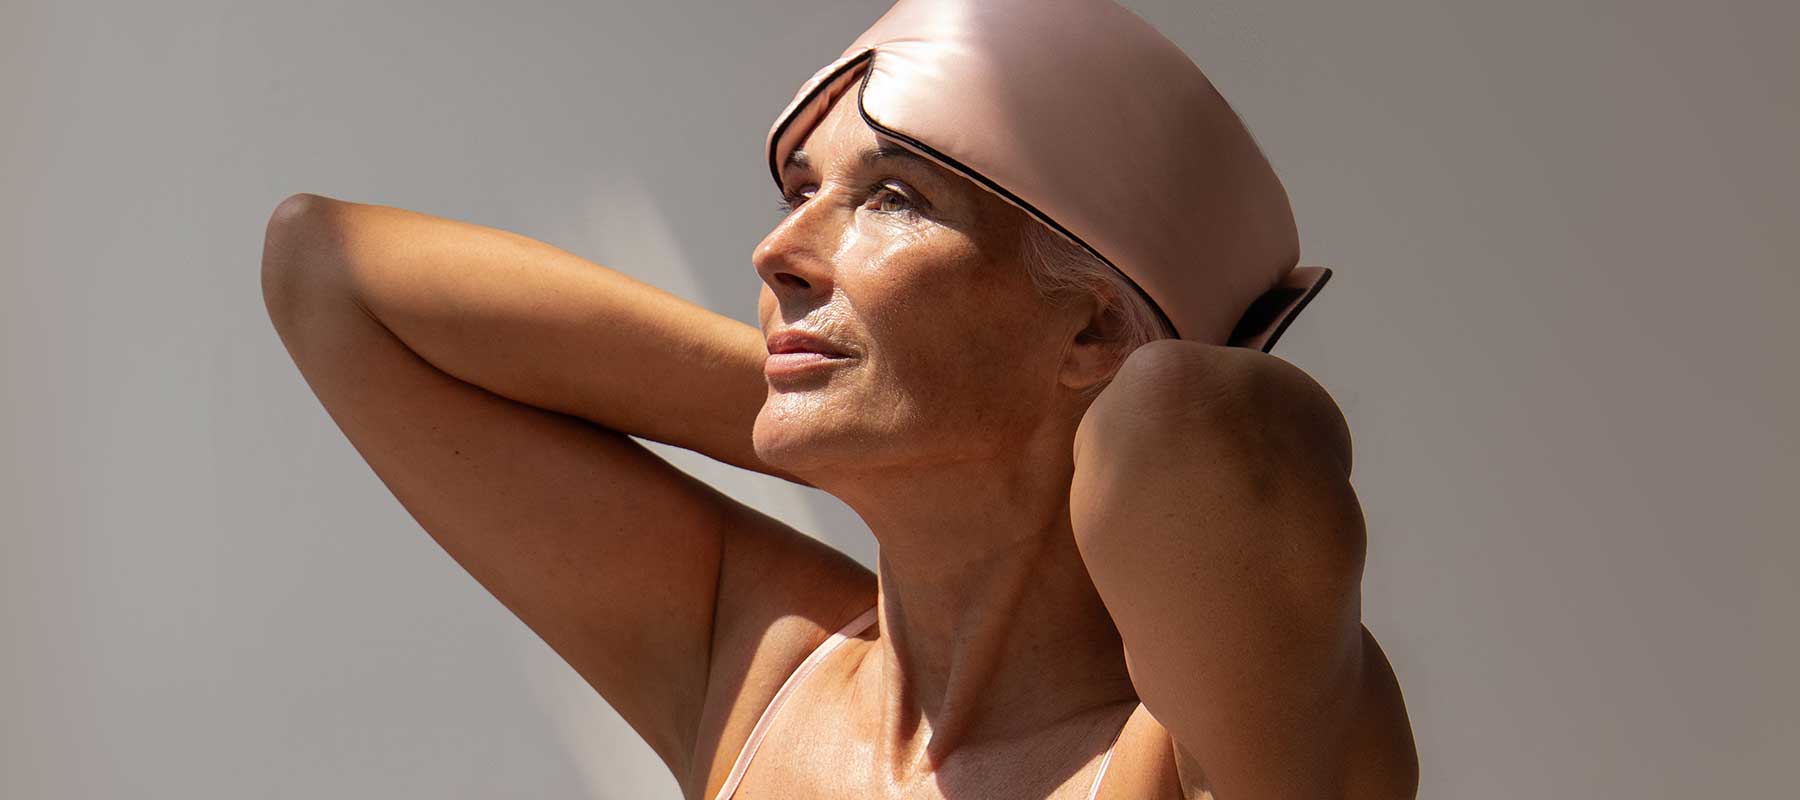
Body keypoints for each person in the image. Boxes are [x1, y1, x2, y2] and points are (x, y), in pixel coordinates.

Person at [260, 0, 1418, 796]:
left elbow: (1192, 428)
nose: (776, 249)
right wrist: (857, 419)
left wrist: (917, 423)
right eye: (799, 188)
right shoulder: (763, 666)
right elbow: (325, 272)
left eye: (895, 197)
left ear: (1094, 325)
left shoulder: (1211, 751)